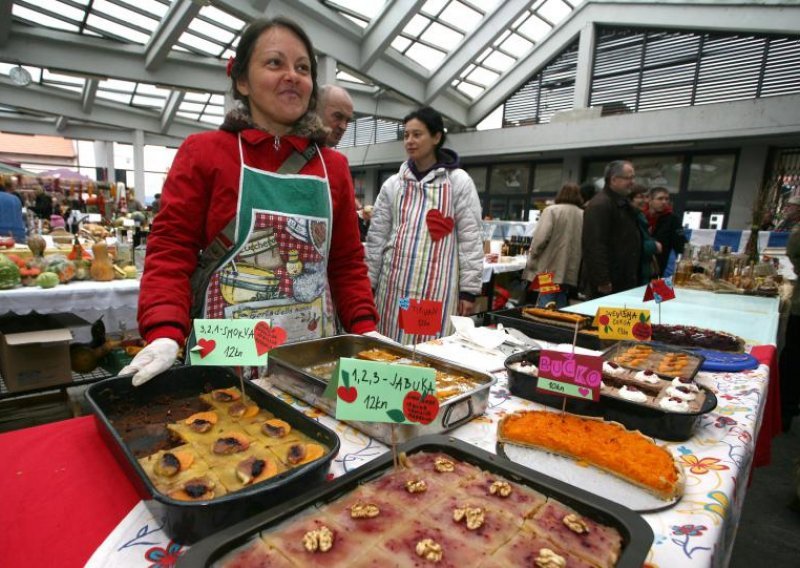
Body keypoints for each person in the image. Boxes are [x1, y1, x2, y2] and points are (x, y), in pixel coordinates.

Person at [121, 17, 378, 386]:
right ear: (242, 80)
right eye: (275, 63)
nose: (292, 75)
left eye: (302, 67)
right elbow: (170, 250)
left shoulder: (332, 167)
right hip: (227, 358)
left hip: (310, 357)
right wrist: (165, 330)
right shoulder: (205, 153)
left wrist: (365, 331)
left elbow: (346, 263)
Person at [366, 106, 483, 343]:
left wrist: (469, 291)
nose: (409, 140)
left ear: (436, 137)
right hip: (393, 285)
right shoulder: (393, 185)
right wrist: (368, 283)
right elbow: (377, 237)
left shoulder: (458, 182)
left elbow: (471, 238)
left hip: (437, 287)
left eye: (417, 134)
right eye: (406, 135)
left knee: (428, 350)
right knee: (389, 346)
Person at [580, 160, 642, 298]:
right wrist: (602, 280)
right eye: (628, 178)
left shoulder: (622, 204)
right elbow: (594, 245)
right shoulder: (601, 205)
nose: (632, 182)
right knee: (604, 319)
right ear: (614, 179)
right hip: (610, 282)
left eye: (633, 177)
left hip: (622, 278)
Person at [522, 182, 583, 308]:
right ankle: (559, 325)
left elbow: (540, 239)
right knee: (561, 299)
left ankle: (542, 326)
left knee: (546, 299)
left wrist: (532, 258)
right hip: (570, 268)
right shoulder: (583, 214)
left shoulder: (551, 211)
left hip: (548, 266)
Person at [645, 186, 686, 276]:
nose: (664, 202)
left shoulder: (673, 219)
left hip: (657, 268)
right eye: (660, 199)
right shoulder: (640, 216)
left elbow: (681, 246)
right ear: (650, 200)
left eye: (666, 199)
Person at [629, 184, 661, 285]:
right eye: (641, 197)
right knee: (658, 299)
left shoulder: (641, 216)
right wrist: (654, 246)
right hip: (638, 272)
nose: (645, 201)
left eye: (646, 197)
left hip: (649, 271)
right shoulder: (631, 217)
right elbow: (630, 245)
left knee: (663, 298)